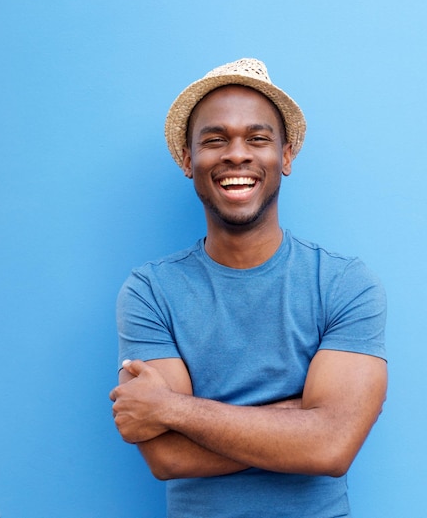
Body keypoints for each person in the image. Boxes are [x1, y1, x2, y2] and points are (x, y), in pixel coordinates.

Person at [109, 58, 387, 518]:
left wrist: (173, 411)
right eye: (215, 140)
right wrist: (304, 421)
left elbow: (331, 450)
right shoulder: (150, 292)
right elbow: (168, 457)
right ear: (187, 160)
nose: (236, 154)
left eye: (257, 139)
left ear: (287, 155)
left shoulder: (344, 284)